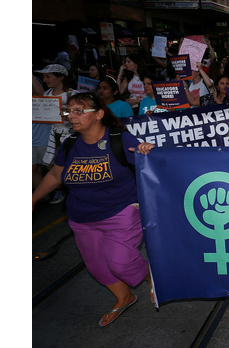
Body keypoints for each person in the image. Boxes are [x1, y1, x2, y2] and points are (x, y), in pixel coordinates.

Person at [31, 92, 153, 327]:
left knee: (121, 262)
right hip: (81, 218)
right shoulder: (69, 145)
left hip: (121, 213)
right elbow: (56, 174)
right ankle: (124, 296)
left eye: (79, 111)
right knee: (97, 266)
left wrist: (147, 150)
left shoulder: (120, 139)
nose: (71, 116)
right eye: (69, 111)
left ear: (98, 114)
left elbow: (152, 167)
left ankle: (152, 278)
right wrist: (33, 198)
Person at [36, 64, 75, 205]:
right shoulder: (46, 95)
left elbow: (79, 114)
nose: (45, 79)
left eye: (48, 76)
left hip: (71, 136)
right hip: (53, 135)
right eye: (44, 77)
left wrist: (64, 113)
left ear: (61, 78)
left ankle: (74, 191)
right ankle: (61, 189)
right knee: (54, 165)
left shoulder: (73, 94)